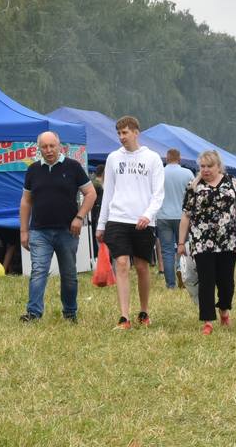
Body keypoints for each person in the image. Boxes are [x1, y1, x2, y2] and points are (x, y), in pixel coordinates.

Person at [18, 131, 96, 323]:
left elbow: (91, 193)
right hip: (39, 231)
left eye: (52, 146)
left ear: (59, 146)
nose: (49, 150)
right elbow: (26, 201)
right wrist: (23, 230)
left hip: (67, 231)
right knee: (38, 272)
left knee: (69, 275)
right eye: (44, 147)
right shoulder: (33, 170)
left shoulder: (73, 167)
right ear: (39, 149)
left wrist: (79, 217)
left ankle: (70, 313)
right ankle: (33, 313)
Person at [99, 116, 165, 329]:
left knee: (142, 266)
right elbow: (107, 193)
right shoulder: (113, 158)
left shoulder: (152, 158)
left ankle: (144, 311)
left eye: (125, 133)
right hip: (118, 218)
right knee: (121, 264)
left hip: (143, 220)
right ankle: (124, 316)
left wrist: (148, 214)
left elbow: (158, 193)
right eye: (119, 133)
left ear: (136, 132)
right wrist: (102, 224)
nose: (121, 137)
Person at [179, 150, 236, 334]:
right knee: (206, 281)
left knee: (226, 282)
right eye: (202, 166)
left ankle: (224, 311)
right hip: (201, 241)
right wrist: (181, 242)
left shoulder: (232, 182)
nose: (205, 170)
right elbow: (186, 216)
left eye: (209, 166)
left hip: (228, 241)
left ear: (219, 166)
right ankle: (208, 321)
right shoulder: (193, 186)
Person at [155, 149, 191, 291]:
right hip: (183, 217)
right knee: (185, 248)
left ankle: (170, 285)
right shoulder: (188, 174)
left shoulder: (160, 173)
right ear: (180, 159)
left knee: (167, 251)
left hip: (163, 216)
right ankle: (183, 272)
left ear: (166, 159)